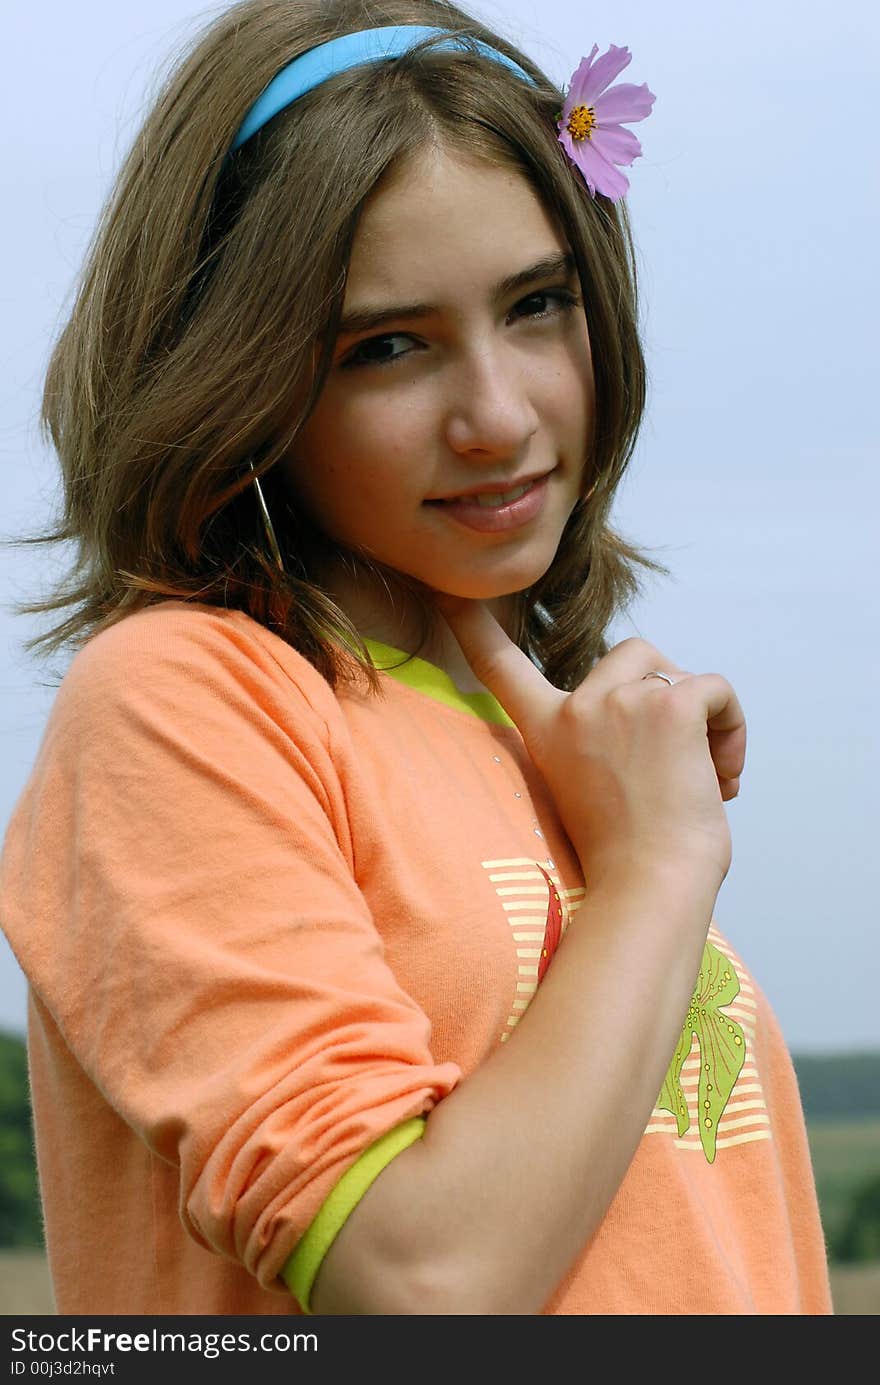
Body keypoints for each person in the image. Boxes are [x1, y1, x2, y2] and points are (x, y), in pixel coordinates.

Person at [0, 0, 832, 1316]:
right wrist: (659, 870)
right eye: (388, 346)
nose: (498, 417)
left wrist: (633, 832)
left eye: (539, 305)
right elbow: (423, 1283)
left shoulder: (549, 743)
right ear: (242, 376)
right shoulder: (184, 703)